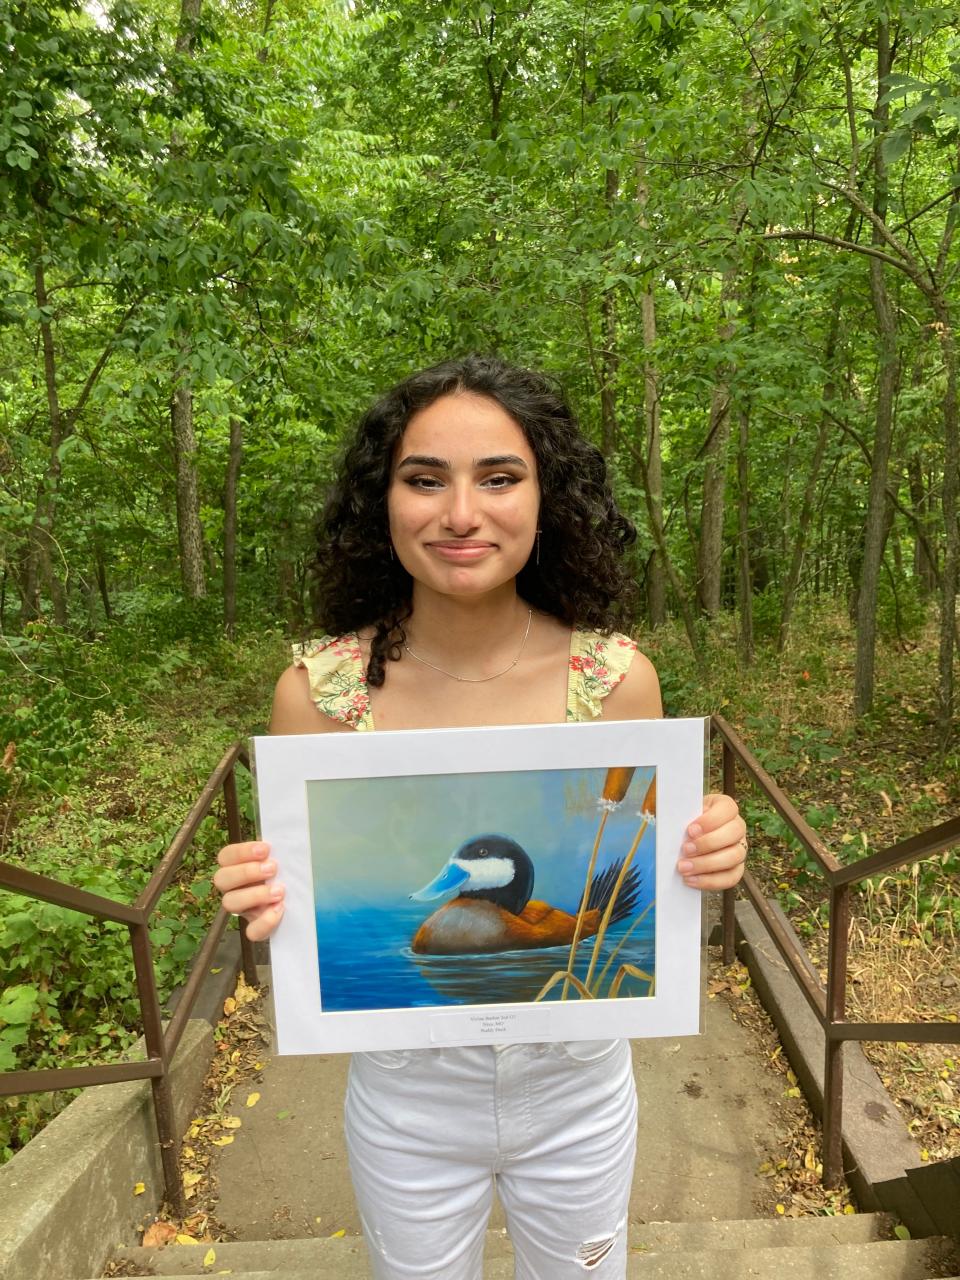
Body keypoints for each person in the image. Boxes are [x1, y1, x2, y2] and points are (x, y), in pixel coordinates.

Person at [214, 355, 747, 1280]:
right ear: (382, 504)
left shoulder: (618, 681)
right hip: (403, 1106)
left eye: (499, 478)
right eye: (426, 480)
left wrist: (705, 854)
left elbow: (647, 871)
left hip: (580, 1095)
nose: (462, 514)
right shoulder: (319, 697)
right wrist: (262, 894)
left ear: (548, 499)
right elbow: (299, 892)